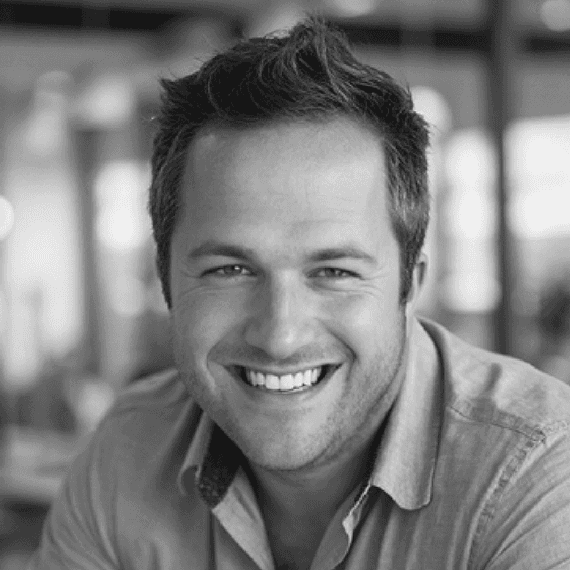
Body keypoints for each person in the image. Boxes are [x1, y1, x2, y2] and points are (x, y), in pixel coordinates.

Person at [29, 16, 570, 570]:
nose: (280, 336)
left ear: (411, 285)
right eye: (230, 269)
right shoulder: (128, 451)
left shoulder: (539, 476)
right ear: (165, 281)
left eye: (333, 272)